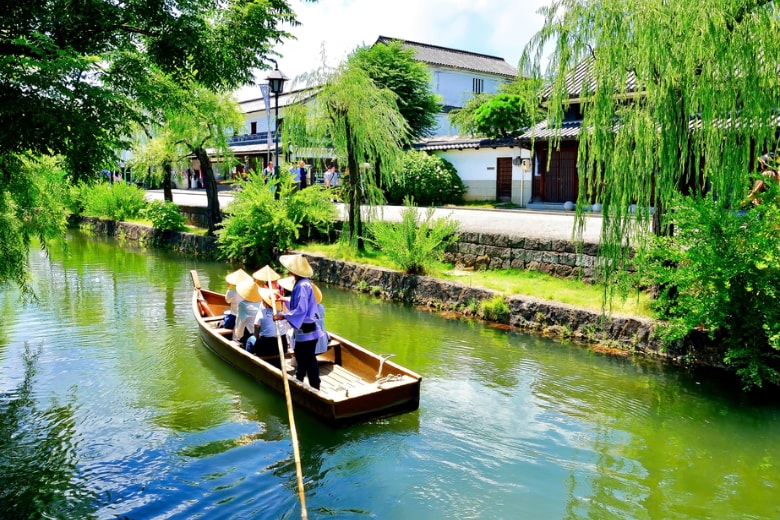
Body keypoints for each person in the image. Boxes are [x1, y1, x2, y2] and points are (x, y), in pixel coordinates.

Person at [273, 254, 325, 390]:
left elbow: (301, 309)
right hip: (305, 332)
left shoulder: (302, 285)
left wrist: (283, 316)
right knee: (301, 356)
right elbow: (301, 304)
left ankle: (315, 386)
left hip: (307, 332)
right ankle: (299, 378)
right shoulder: (304, 283)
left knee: (309, 360)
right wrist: (284, 299)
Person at [248, 287, 289, 357]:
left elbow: (256, 334)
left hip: (266, 348)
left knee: (250, 339)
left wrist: (258, 336)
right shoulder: (282, 314)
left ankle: (249, 358)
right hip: (283, 346)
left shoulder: (261, 313)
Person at [234, 279, 263, 345]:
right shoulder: (261, 303)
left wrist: (237, 333)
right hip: (259, 331)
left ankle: (240, 340)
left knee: (241, 324)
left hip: (249, 332)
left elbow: (239, 319)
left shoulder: (242, 304)